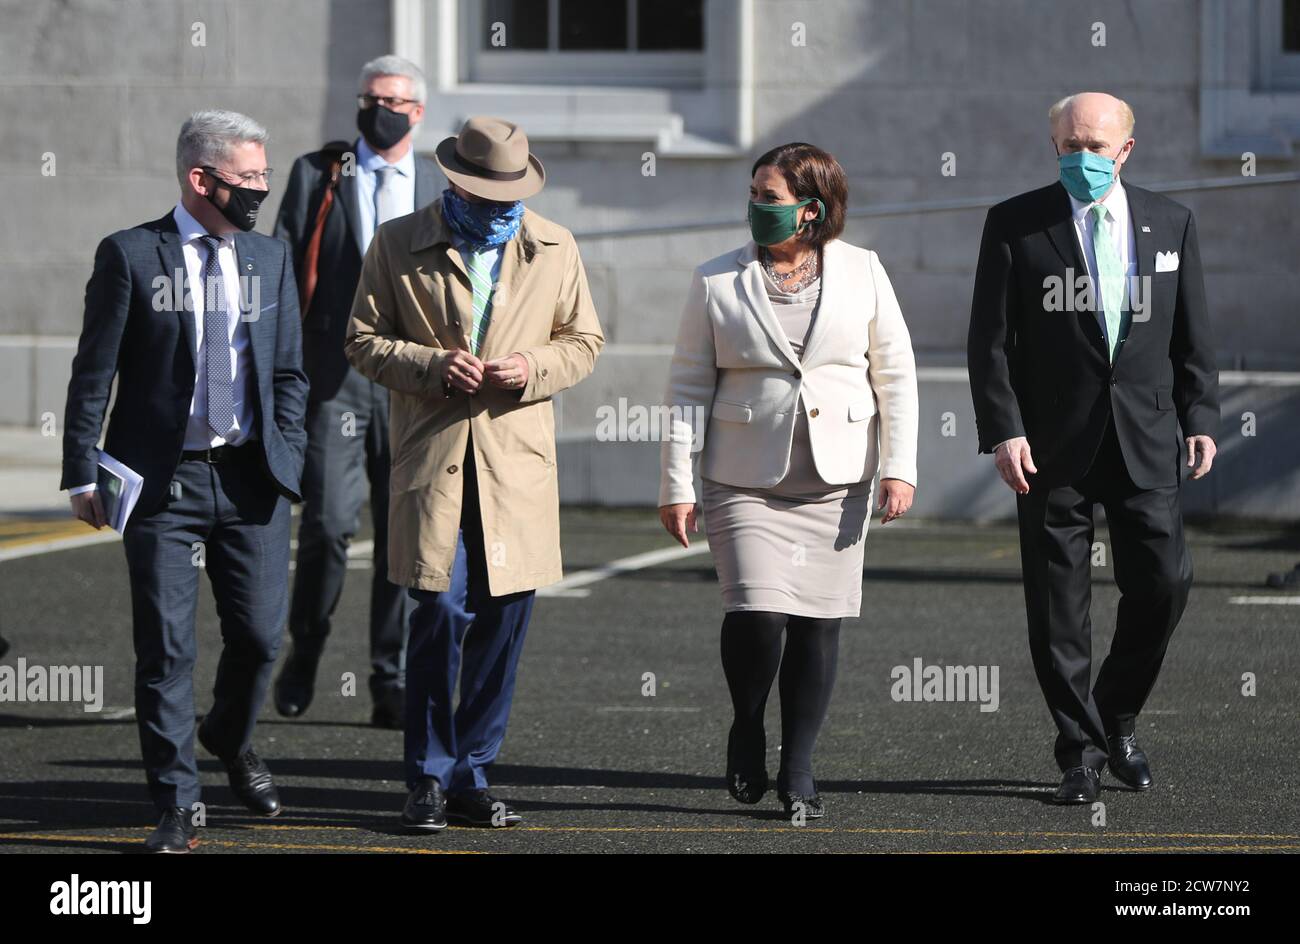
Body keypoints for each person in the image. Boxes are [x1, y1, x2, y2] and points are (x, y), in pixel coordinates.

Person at [346, 115, 604, 830]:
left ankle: (472, 773)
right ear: (454, 181)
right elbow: (360, 341)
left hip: (513, 468)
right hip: (433, 463)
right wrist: (430, 367)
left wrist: (531, 368)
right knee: (436, 611)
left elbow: (584, 342)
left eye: (508, 195)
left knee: (503, 620)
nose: (498, 206)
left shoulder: (554, 246)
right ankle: (426, 776)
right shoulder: (398, 241)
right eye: (484, 194)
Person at [61, 110, 308, 851]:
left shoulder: (270, 258)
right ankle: (177, 803)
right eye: (250, 179)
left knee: (262, 639)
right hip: (160, 486)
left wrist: (288, 449)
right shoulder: (132, 255)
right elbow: (92, 372)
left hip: (252, 481)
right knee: (166, 652)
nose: (262, 190)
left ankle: (229, 736)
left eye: (265, 176)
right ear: (202, 180)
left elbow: (290, 371)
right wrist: (81, 470)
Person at [967, 92, 1219, 804]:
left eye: (1096, 146)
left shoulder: (1172, 223)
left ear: (1127, 150)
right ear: (1054, 147)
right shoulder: (1016, 225)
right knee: (1058, 607)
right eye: (1070, 145)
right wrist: (1003, 428)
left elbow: (1193, 336)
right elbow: (989, 342)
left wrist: (1201, 415)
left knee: (1166, 583)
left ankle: (1117, 715)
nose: (1083, 158)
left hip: (1146, 439)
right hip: (1050, 447)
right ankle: (1078, 753)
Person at [658, 142, 919, 820]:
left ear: (812, 209)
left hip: (838, 478)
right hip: (742, 477)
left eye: (769, 199)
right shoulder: (716, 280)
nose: (756, 208)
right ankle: (748, 723)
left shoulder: (863, 271)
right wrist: (676, 483)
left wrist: (900, 467)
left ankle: (798, 764)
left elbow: (895, 375)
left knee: (818, 624)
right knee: (759, 611)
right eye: (753, 195)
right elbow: (687, 384)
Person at [272, 55, 440, 729]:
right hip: (335, 381)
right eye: (370, 97)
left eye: (394, 100)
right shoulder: (320, 174)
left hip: (412, 383)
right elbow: (283, 264)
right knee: (328, 526)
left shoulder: (438, 180)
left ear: (418, 113)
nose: (380, 109)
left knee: (404, 535)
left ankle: (388, 676)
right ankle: (305, 649)